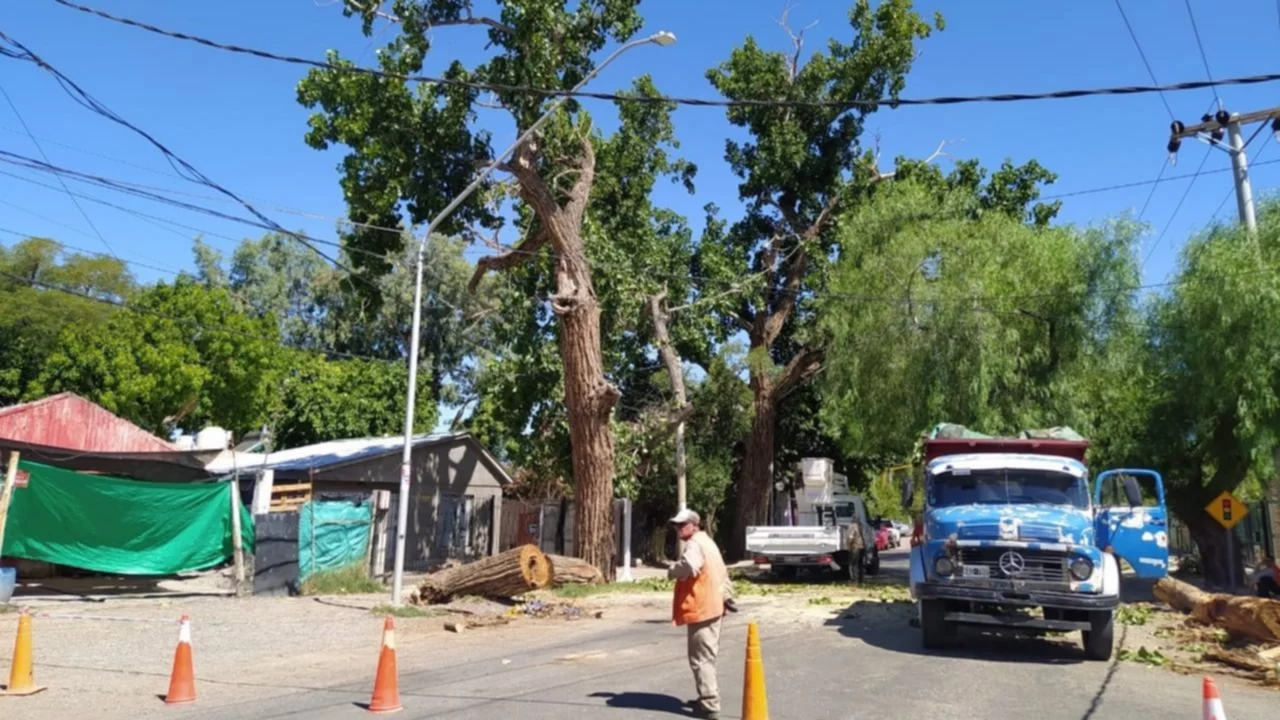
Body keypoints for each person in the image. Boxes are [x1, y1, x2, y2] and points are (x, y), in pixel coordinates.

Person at [667, 509, 729, 720]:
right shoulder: (707, 542)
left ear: (694, 525)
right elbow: (722, 571)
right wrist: (727, 596)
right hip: (714, 606)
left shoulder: (694, 544)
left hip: (702, 608)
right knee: (707, 656)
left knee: (700, 659)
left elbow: (689, 567)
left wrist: (672, 569)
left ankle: (710, 704)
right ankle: (706, 697)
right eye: (676, 525)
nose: (678, 528)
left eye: (682, 524)